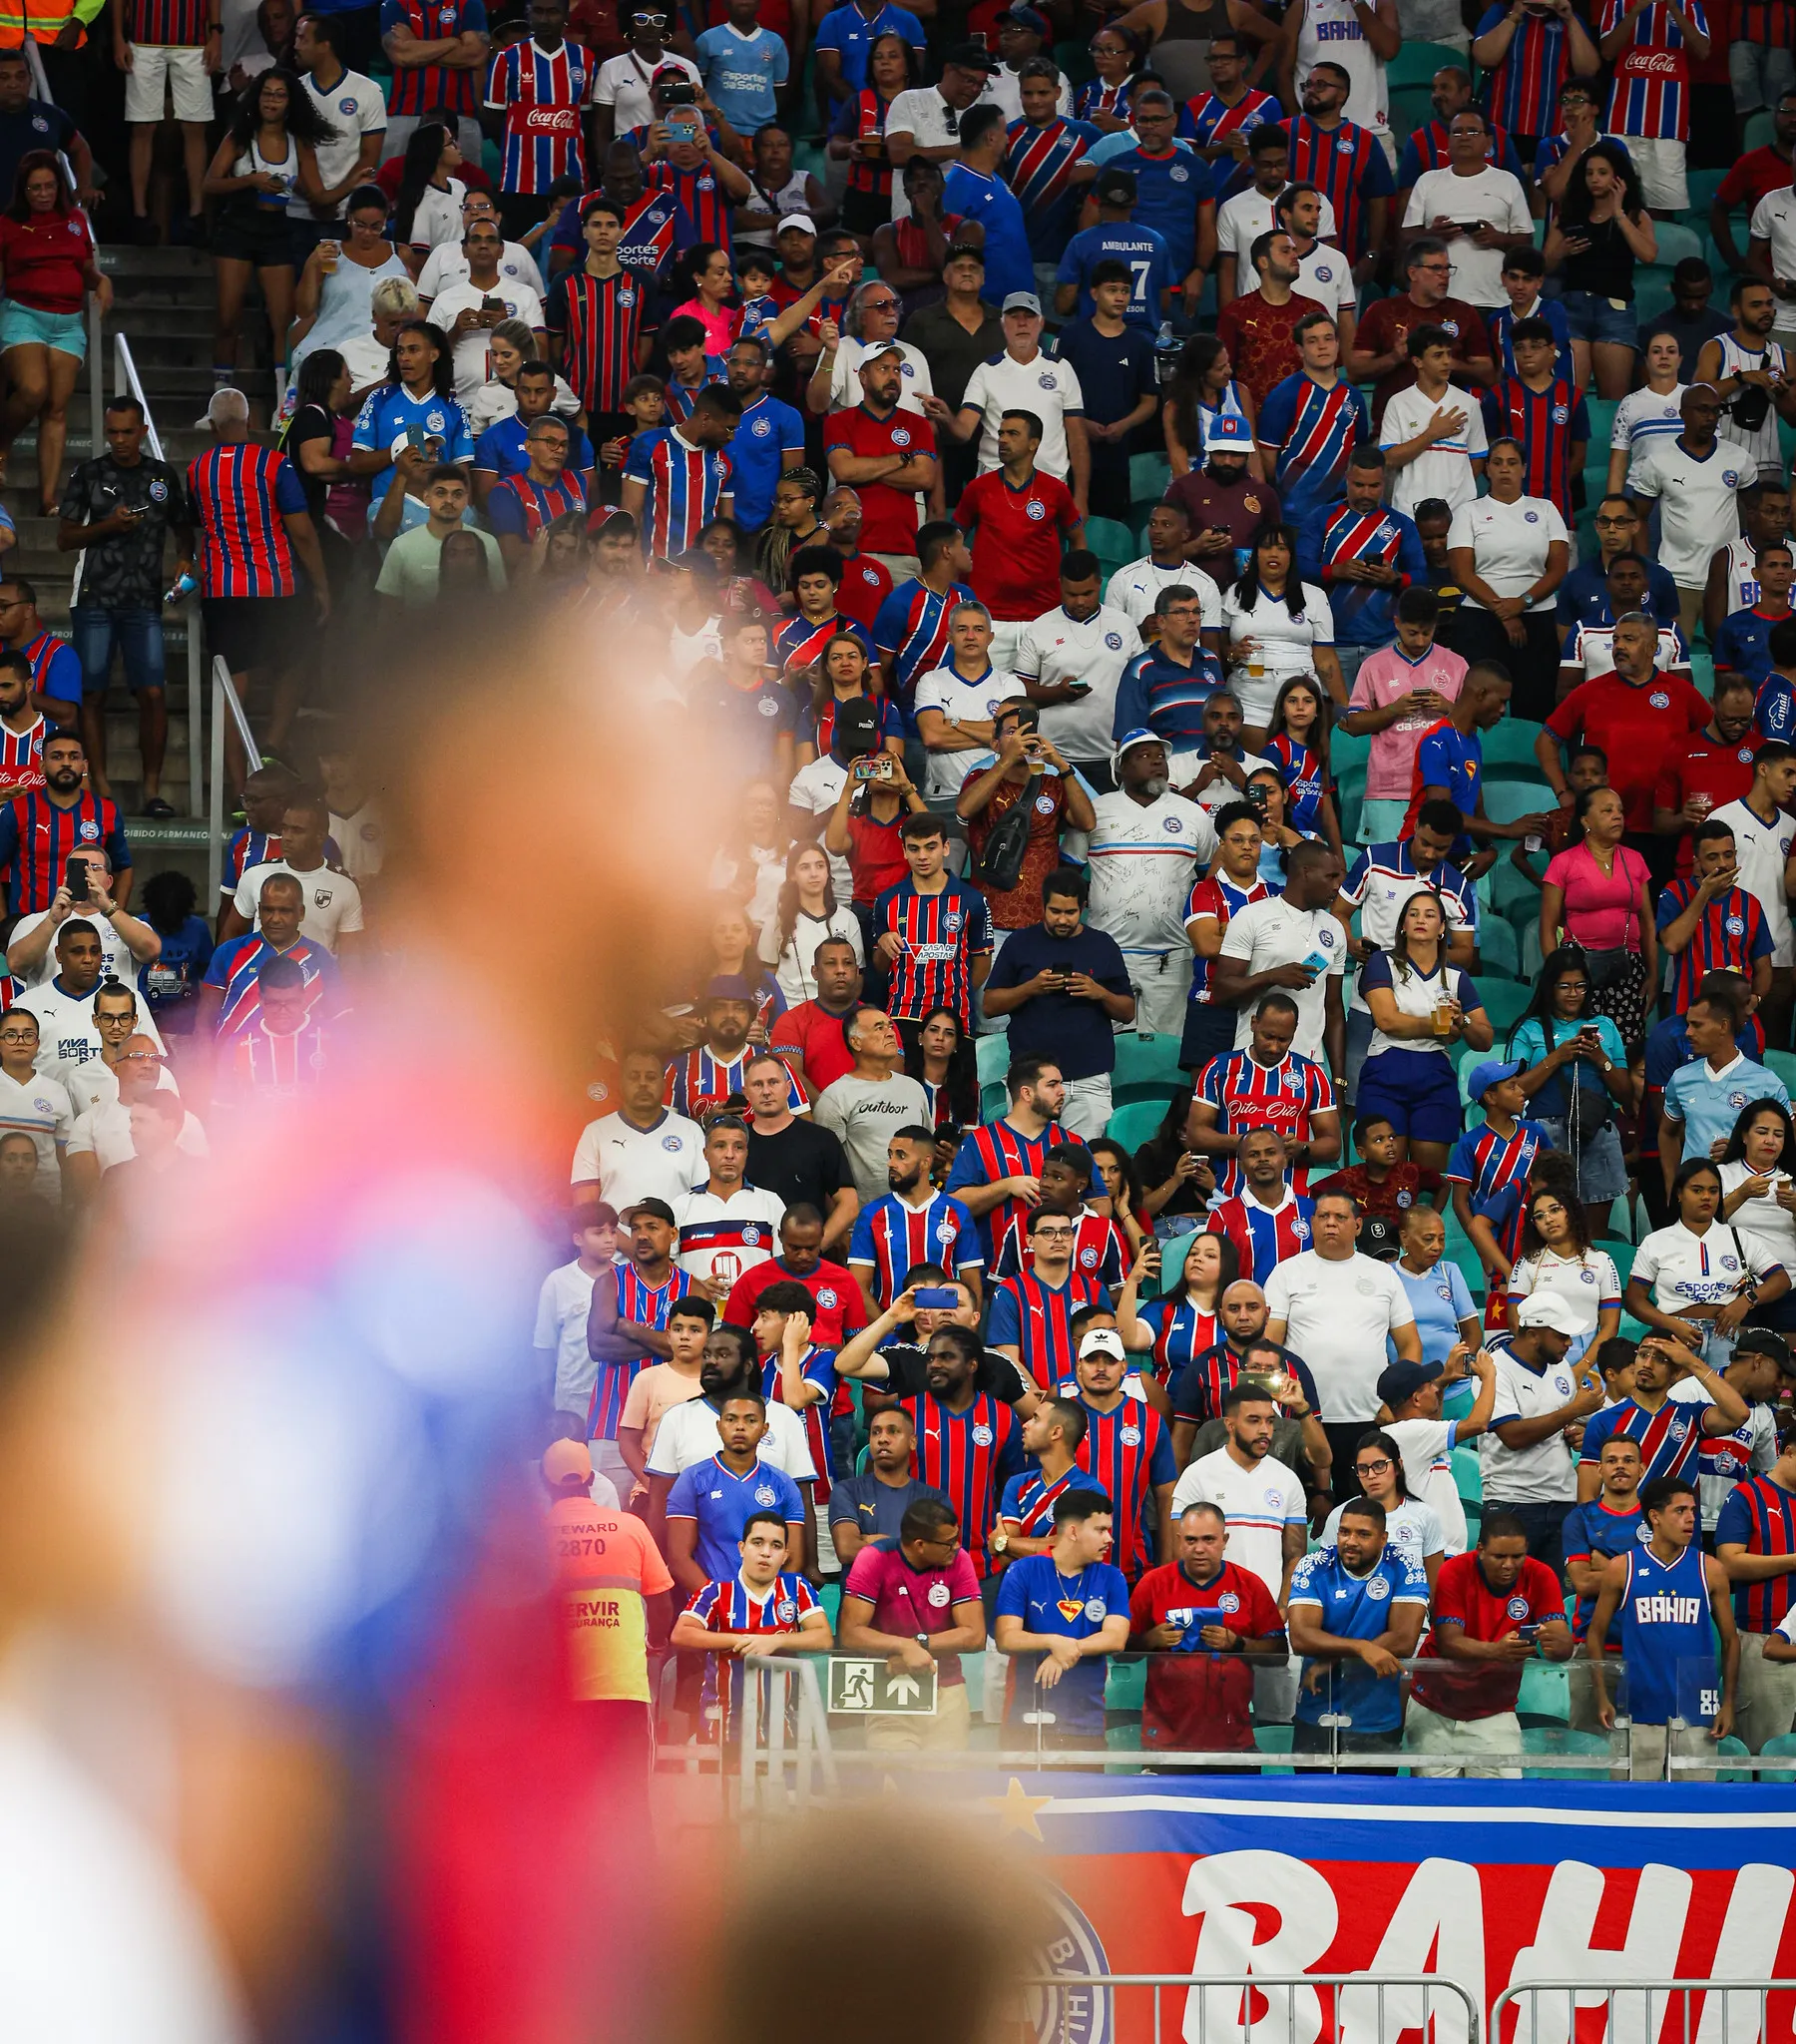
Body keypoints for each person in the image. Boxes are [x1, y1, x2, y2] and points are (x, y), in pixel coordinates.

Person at [1264, 1189, 1423, 1484]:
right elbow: (1268, 1348)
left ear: (1358, 1226)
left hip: (1372, 1416)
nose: (1330, 1223)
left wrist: (1396, 1401)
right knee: (1309, 1510)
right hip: (1304, 1418)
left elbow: (1410, 1344)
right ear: (1311, 1224)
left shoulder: (1383, 1274)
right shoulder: (1286, 1273)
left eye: (1340, 1217)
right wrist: (1279, 1405)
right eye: (1323, 1217)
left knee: (1367, 1512)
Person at [1587, 1477, 1739, 1780]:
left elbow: (1731, 1641)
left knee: (1694, 1810)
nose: (1691, 1519)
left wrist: (1729, 1703)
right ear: (1654, 1517)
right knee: (1635, 1809)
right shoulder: (1623, 1567)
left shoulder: (1710, 1568)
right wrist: (1602, 1695)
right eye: (1680, 1510)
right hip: (1640, 1707)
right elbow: (1595, 1634)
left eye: (1693, 1511)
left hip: (1698, 1709)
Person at [1405, 1512, 1572, 1778]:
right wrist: (1498, 1651)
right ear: (1480, 1549)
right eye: (1499, 1557)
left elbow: (1561, 1644)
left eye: (1517, 1557)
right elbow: (1449, 1642)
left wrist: (1559, 1645)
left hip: (1494, 1712)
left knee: (1502, 1808)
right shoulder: (1454, 1571)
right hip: (1434, 1709)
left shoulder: (1541, 1575)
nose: (1509, 1565)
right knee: (1434, 1808)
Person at [978, 870, 1132, 1140]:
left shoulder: (1103, 945)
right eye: (1055, 911)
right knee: (1027, 1165)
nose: (1062, 919)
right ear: (1042, 906)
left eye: (1070, 912)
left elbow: (1128, 1012)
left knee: (1084, 1165)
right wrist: (1031, 988)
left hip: (1088, 1081)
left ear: (1083, 908)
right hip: (1029, 1081)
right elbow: (989, 1006)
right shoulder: (1020, 943)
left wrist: (1099, 993)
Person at [1126, 1499, 1289, 1754]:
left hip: (1233, 1739)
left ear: (1224, 1540)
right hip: (1166, 1741)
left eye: (1209, 1540)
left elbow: (1280, 1653)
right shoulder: (1153, 1584)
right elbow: (1119, 1650)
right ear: (1179, 1540)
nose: (1199, 1549)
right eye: (1191, 1540)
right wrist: (1149, 1641)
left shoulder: (1249, 1585)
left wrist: (1238, 1644)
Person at [0, 152, 111, 519]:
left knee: (56, 409)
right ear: (24, 190)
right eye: (36, 188)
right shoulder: (8, 224)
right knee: (33, 390)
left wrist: (101, 280)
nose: (44, 193)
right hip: (23, 314)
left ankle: (47, 499)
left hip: (66, 321)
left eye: (50, 186)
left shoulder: (75, 220)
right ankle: (2, 442)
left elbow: (84, 268)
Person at [1356, 888, 1491, 1176]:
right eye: (1413, 914)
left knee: (1426, 1180)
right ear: (1402, 924)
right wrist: (1442, 1028)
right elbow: (1388, 1021)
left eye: (1430, 915)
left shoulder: (1456, 976)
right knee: (1384, 1176)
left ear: (1442, 927)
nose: (1421, 920)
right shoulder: (1382, 963)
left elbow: (1485, 1038)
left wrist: (1462, 1021)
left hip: (1434, 1079)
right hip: (1385, 1073)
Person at [836, 1497, 986, 1752]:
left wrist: (919, 1645)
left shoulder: (959, 1560)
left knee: (947, 1784)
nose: (957, 1547)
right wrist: (904, 1648)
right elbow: (850, 1633)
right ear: (919, 1545)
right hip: (887, 1683)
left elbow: (975, 1636)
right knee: (897, 1783)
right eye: (948, 1542)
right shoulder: (874, 1558)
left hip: (946, 1686)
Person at [668, 1510, 831, 1742]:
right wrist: (740, 1641)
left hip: (779, 1726)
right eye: (758, 1543)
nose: (766, 1552)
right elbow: (681, 1633)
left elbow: (823, 1636)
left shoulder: (796, 1587)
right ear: (742, 1548)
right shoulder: (717, 1589)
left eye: (775, 1546)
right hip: (720, 1725)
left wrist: (775, 1640)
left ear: (785, 1555)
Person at [1286, 1496, 1427, 1759]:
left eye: (1363, 1534)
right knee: (1310, 1800)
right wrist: (1361, 1647)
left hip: (1377, 1717)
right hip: (1317, 1712)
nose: (1350, 1541)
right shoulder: (1313, 1565)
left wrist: (1331, 1659)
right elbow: (1302, 1638)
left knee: (1374, 1800)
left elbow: (1404, 1639)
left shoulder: (1405, 1567)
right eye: (1344, 1532)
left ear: (1383, 1539)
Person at [993, 1488, 1130, 1749]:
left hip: (1086, 1721)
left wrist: (1070, 1648)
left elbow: (1116, 1638)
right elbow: (1006, 1637)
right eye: (1100, 1530)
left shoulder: (1112, 1578)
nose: (1109, 1538)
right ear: (1073, 1532)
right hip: (1026, 1718)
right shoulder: (1023, 1571)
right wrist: (1053, 1641)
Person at [1483, 1289, 1608, 1572]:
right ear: (1533, 1334)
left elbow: (1558, 1421)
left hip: (1563, 1501)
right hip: (1513, 1502)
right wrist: (1573, 1411)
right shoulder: (1495, 1370)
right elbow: (1512, 1435)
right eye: (1561, 1335)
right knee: (1508, 1599)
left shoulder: (1560, 1367)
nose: (1569, 1343)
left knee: (1557, 1602)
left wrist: (1574, 1431)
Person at [1625, 383, 1746, 650]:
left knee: (1733, 659)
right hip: (1677, 580)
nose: (1710, 417)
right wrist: (1648, 567)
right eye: (1702, 410)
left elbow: (1755, 510)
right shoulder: (1658, 460)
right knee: (1670, 659)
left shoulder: (1738, 458)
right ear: (1683, 413)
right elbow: (1638, 519)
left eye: (1715, 411)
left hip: (1726, 581)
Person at [1209, 836, 1345, 1071]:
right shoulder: (1251, 916)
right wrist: (1271, 977)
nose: (1337, 886)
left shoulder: (1334, 928)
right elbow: (1221, 992)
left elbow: (1333, 1009)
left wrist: (1339, 1079)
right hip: (1252, 1060)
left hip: (1310, 1064)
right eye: (1330, 877)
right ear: (1305, 873)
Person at [1188, 989, 1340, 1195]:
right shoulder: (1220, 1067)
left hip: (1294, 1197)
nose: (1274, 1047)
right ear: (1253, 1023)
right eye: (1268, 1037)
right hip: (1229, 1194)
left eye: (1283, 1039)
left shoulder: (1311, 1073)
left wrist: (1302, 1148)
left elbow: (1333, 1146)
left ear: (1294, 1032)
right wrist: (1246, 1143)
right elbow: (1196, 1136)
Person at [1171, 1378, 1309, 1602]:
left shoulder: (1287, 1480)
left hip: (1268, 1615)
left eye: (1270, 1421)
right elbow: (1178, 1553)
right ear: (1230, 1425)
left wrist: (1282, 1609)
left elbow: (1295, 1556)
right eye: (1254, 1421)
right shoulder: (1197, 1476)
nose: (1265, 1430)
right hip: (1210, 1610)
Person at [1659, 995, 1791, 1196]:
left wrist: (1739, 1151)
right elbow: (1667, 1133)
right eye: (1688, 1025)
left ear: (1723, 1026)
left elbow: (1789, 1142)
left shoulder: (1767, 1083)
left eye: (1697, 1025)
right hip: (1694, 1195)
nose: (1688, 1033)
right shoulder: (1681, 1078)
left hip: (1749, 1195)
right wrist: (1672, 1185)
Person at [1716, 1427, 1796, 1751]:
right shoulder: (1746, 1496)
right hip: (1761, 1643)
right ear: (1789, 1451)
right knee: (1765, 1754)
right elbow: (1729, 1564)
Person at [813, 1007, 930, 1205]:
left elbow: (926, 1149)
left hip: (913, 1216)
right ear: (856, 1042)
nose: (890, 1032)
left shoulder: (913, 1088)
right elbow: (825, 1171)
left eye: (890, 1026)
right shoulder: (836, 1097)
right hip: (862, 1221)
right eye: (879, 1028)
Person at [1322, 1425, 1447, 1586]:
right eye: (1363, 1469)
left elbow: (1433, 1583)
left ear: (1398, 1466)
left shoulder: (1424, 1515)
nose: (1371, 1475)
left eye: (1379, 1465)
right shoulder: (1339, 1516)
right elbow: (1329, 1578)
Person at [827, 1404, 950, 1563]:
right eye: (875, 1432)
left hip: (918, 1587)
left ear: (912, 1442)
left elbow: (940, 1554)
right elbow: (847, 1550)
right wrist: (912, 1546)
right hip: (863, 1587)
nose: (883, 1439)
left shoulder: (935, 1500)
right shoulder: (846, 1491)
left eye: (893, 1431)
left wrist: (873, 1541)